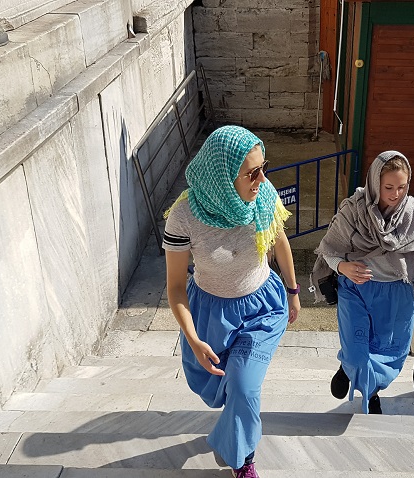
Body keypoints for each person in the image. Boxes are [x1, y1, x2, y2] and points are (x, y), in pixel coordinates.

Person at [163, 125, 301, 477]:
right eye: (252, 172)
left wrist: (293, 289)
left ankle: (243, 460)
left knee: (244, 387)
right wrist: (193, 340)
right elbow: (176, 286)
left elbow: (278, 241)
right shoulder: (184, 216)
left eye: (263, 167)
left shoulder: (264, 194)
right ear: (223, 177)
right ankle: (233, 438)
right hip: (211, 313)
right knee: (223, 389)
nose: (262, 178)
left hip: (263, 307)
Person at [310, 151, 414, 414]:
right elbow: (329, 249)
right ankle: (351, 367)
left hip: (396, 295)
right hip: (356, 290)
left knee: (388, 355)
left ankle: (370, 391)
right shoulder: (353, 209)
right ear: (374, 183)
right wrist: (344, 267)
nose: (395, 194)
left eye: (402, 187)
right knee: (358, 351)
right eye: (388, 187)